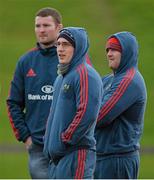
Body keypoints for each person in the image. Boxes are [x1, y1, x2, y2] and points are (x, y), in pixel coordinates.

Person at [6, 7, 63, 179]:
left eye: (46, 25)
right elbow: (13, 103)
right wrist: (26, 137)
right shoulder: (26, 61)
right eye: (38, 26)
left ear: (59, 27)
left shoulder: (71, 59)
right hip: (37, 148)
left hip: (66, 147)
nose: (41, 30)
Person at [43, 27, 103, 179]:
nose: (60, 49)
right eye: (58, 44)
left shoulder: (86, 74)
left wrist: (65, 140)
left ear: (79, 48)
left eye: (66, 45)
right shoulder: (61, 77)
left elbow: (86, 114)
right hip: (57, 159)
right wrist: (49, 142)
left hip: (75, 155)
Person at [94, 31, 147, 179]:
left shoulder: (129, 80)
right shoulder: (109, 80)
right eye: (108, 50)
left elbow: (99, 115)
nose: (109, 54)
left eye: (115, 49)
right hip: (103, 157)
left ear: (128, 52)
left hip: (117, 160)